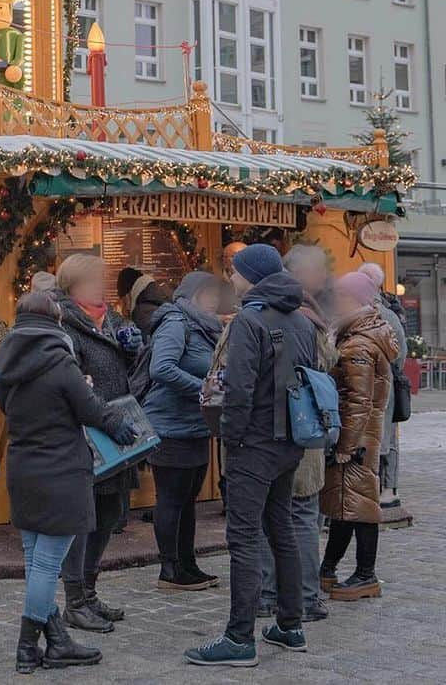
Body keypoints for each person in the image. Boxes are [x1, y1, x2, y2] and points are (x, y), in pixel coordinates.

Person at [185, 243, 316, 668]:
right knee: (281, 529)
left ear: (253, 276)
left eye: (236, 271)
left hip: (253, 444)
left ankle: (239, 638)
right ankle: (290, 624)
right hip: (288, 442)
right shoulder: (301, 319)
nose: (232, 277)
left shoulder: (249, 320)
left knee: (243, 538)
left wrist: (230, 438)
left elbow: (238, 389)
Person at [0, 290, 137, 674]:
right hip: (61, 470)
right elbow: (91, 410)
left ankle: (56, 640)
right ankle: (27, 648)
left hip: (23, 469)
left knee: (34, 559)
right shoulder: (59, 362)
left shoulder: (4, 363)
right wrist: (123, 427)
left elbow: (10, 407)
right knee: (46, 565)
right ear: (54, 322)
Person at [53, 252, 142, 633]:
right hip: (86, 432)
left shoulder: (113, 320)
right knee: (82, 518)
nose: (100, 286)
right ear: (73, 284)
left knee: (108, 514)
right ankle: (74, 600)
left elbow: (133, 366)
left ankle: (89, 592)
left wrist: (134, 347)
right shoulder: (63, 322)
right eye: (93, 280)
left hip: (117, 429)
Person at [260, 243, 336, 622]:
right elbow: (326, 364)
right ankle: (304, 597)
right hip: (306, 430)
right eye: (319, 269)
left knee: (284, 514)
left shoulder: (283, 313)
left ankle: (277, 594)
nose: (323, 276)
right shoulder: (309, 315)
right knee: (299, 514)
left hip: (285, 429)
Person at [320, 268, 399, 601]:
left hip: (358, 439)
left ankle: (366, 575)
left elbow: (358, 400)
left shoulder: (358, 344)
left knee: (360, 505)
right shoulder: (366, 332)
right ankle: (327, 568)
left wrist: (346, 445)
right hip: (364, 436)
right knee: (347, 502)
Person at [142, 271, 222, 590]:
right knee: (172, 499)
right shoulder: (176, 323)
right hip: (169, 425)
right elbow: (161, 368)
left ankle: (188, 563)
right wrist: (203, 389)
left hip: (196, 425)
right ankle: (170, 569)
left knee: (188, 499)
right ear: (194, 294)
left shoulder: (205, 327)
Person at [361, 262, 407, 510]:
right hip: (383, 382)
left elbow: (400, 352)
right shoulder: (385, 312)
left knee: (382, 435)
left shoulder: (382, 313)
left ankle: (384, 487)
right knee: (386, 435)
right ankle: (387, 488)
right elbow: (400, 353)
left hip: (378, 384)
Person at [116, 266, 171, 337]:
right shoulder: (161, 297)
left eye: (122, 303)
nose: (122, 309)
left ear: (127, 298)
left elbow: (146, 346)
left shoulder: (141, 312)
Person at [218, 240, 248, 316]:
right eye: (235, 256)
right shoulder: (213, 285)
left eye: (246, 256)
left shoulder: (257, 282)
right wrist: (221, 319)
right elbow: (202, 315)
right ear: (224, 260)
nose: (241, 260)